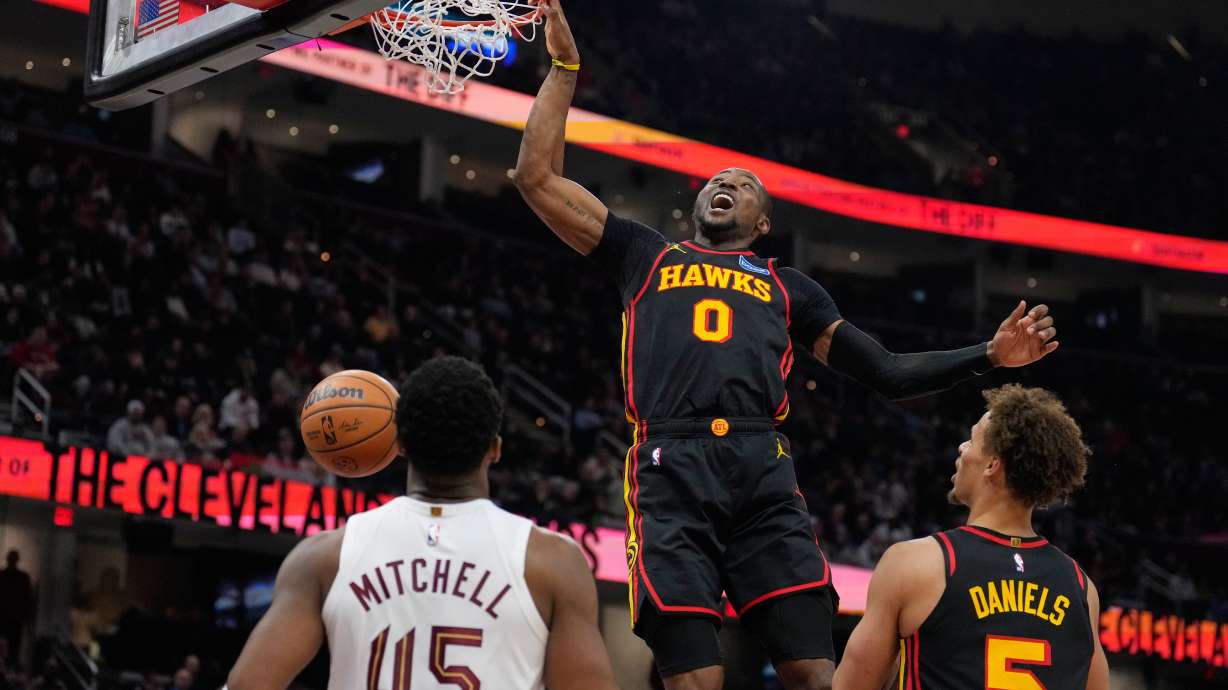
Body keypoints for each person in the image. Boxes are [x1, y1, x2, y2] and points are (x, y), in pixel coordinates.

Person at [512, 3, 1061, 688]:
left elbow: (886, 373)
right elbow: (537, 179)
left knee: (811, 672)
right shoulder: (644, 254)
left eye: (741, 185)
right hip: (669, 466)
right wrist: (564, 70)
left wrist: (988, 356)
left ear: (762, 221)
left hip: (760, 469)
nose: (724, 185)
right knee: (694, 680)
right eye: (715, 181)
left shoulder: (789, 288)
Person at [227, 356, 618, 690]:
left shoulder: (324, 556)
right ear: (495, 449)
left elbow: (245, 686)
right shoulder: (553, 563)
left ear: (399, 444)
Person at [833, 385, 1109, 690]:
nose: (962, 448)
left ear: (992, 464)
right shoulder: (1082, 588)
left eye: (972, 439)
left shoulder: (915, 564)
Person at [0, 551, 33, 664]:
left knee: (12, 648)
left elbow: (27, 600)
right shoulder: (22, 578)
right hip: (10, 618)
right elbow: (27, 600)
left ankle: (9, 668)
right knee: (11, 648)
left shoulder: (22, 578)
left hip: (12, 618)